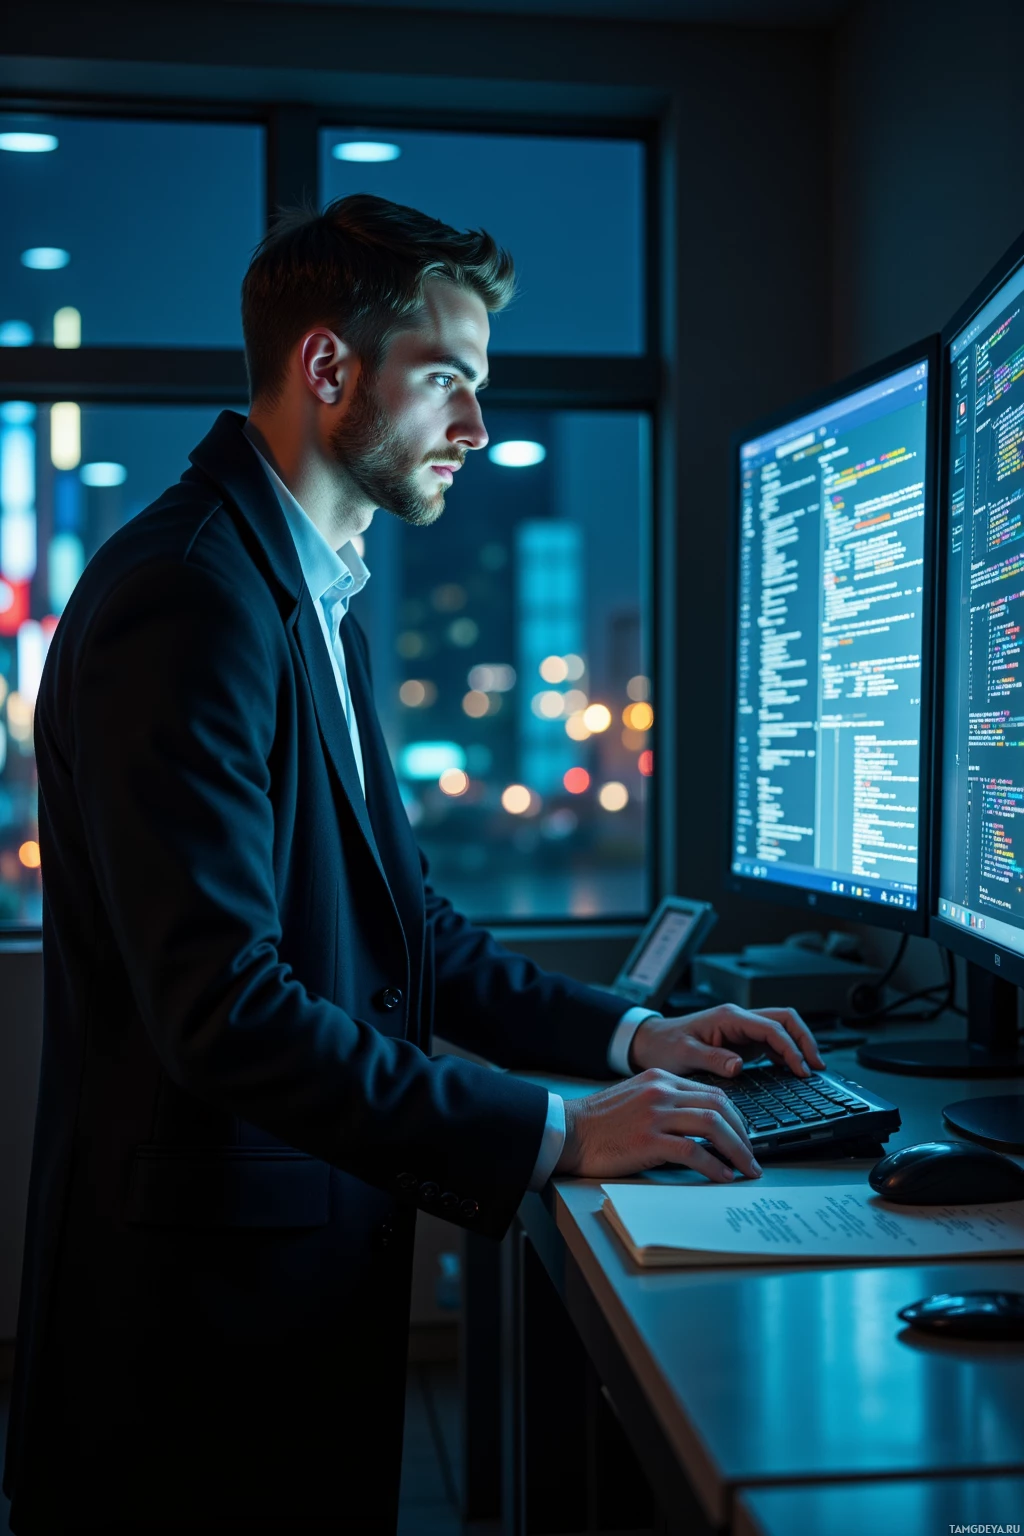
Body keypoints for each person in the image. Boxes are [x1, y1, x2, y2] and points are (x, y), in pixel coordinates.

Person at [3, 194, 823, 1535]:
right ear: (330, 370)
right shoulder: (191, 599)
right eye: (447, 378)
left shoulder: (307, 595)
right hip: (193, 1349)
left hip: (282, 1289)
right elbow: (225, 1012)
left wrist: (634, 1040)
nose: (477, 428)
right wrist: (554, 1134)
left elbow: (412, 931)